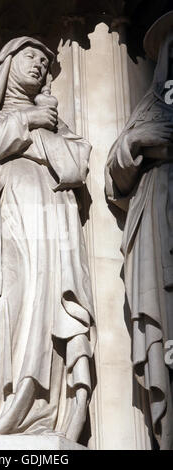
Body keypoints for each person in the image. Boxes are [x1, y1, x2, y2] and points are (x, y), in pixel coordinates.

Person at [0, 36, 96, 447]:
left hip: (51, 229)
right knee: (6, 304)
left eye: (45, 61)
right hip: (1, 229)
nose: (39, 65)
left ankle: (41, 415)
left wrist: (38, 136)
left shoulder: (58, 127)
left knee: (46, 306)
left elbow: (74, 165)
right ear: (9, 63)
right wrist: (30, 122)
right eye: (30, 57)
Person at [105, 12, 173, 449]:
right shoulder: (149, 104)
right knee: (161, 326)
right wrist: (137, 142)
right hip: (154, 218)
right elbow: (115, 177)